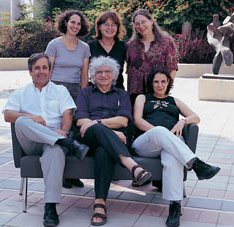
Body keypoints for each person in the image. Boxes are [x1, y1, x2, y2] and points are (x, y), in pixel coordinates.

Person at [2, 53, 89, 227]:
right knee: (21, 121)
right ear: (30, 72)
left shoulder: (60, 90)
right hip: (31, 142)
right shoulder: (22, 92)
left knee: (55, 151)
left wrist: (64, 131)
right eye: (37, 68)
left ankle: (50, 206)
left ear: (50, 70)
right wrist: (30, 116)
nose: (41, 72)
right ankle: (67, 143)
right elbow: (8, 115)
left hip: (55, 138)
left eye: (44, 67)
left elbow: (68, 113)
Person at [132, 66, 221, 227]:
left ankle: (174, 207)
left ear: (168, 83)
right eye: (156, 82)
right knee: (163, 133)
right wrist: (161, 134)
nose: (159, 85)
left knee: (172, 158)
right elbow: (137, 120)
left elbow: (196, 117)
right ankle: (196, 164)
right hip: (146, 143)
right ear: (151, 83)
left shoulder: (175, 101)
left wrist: (183, 121)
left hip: (169, 144)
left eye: (163, 82)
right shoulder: (142, 98)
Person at [75, 56, 152, 226]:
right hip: (89, 140)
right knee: (94, 128)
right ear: (93, 76)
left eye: (107, 71)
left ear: (114, 75)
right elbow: (81, 122)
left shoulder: (122, 95)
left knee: (103, 150)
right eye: (99, 72)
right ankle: (132, 165)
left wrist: (98, 124)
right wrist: (111, 131)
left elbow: (124, 121)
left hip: (108, 142)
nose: (103, 75)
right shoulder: (85, 93)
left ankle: (99, 204)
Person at [45, 9, 90, 188]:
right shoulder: (54, 44)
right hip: (56, 89)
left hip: (76, 91)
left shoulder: (84, 48)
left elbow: (84, 74)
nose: (75, 26)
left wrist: (84, 96)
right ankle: (61, 173)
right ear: (65, 22)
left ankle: (73, 174)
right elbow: (47, 70)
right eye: (72, 22)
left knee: (74, 131)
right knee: (60, 128)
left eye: (78, 23)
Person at [126, 9, 178, 102]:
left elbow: (172, 68)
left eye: (143, 22)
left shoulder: (166, 42)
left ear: (151, 21)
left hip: (157, 94)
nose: (141, 26)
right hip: (135, 95)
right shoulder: (131, 45)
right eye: (137, 24)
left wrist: (165, 90)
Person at [88, 11, 126, 89]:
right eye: (106, 24)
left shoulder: (124, 47)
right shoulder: (90, 46)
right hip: (94, 93)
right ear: (99, 27)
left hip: (117, 92)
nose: (110, 28)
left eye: (113, 25)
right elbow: (83, 73)